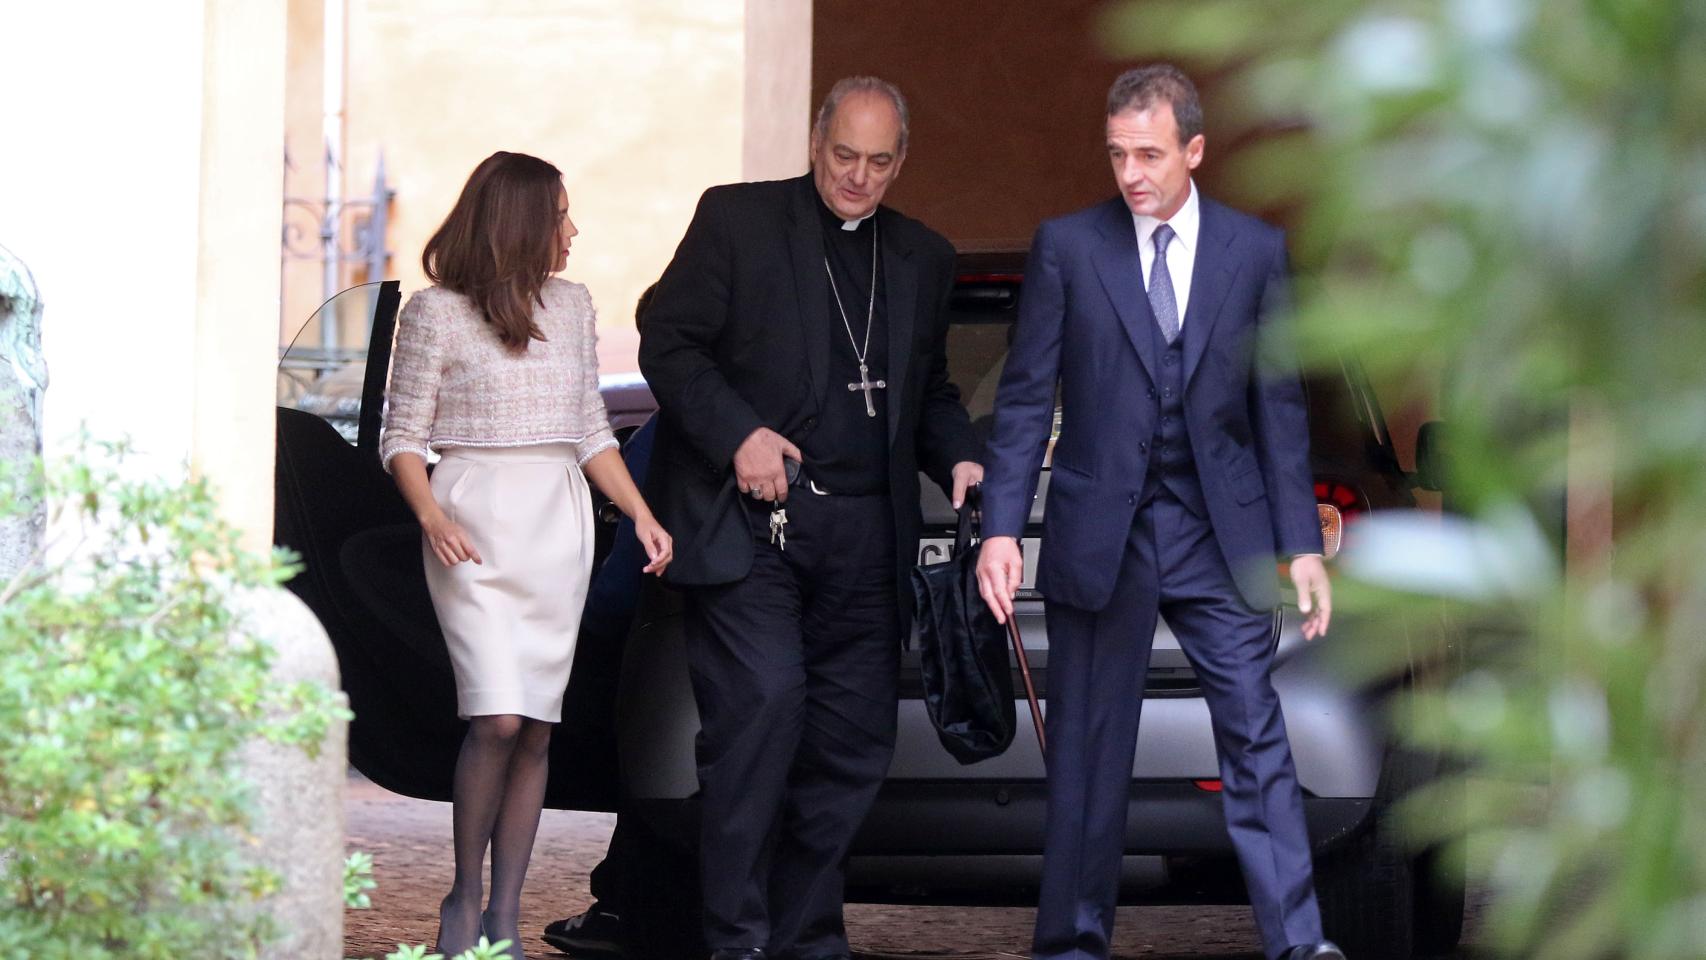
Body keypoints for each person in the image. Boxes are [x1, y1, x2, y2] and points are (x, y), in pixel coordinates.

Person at [974, 66, 1342, 960]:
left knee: (1257, 737)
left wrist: (1301, 547)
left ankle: (1300, 943)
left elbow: (1278, 410)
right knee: (1089, 755)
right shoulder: (1068, 246)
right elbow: (1026, 401)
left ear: (1194, 150)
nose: (1131, 172)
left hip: (1223, 535)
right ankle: (1070, 944)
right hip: (1104, 531)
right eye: (1117, 153)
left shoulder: (1254, 252)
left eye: (1149, 153)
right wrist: (999, 529)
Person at [638, 76, 982, 960]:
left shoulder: (923, 256)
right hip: (757, 529)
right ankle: (738, 941)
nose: (857, 178)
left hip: (869, 539)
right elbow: (666, 339)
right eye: (843, 157)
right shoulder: (738, 222)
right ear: (815, 142)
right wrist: (737, 434)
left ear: (900, 162)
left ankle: (806, 941)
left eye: (877, 162)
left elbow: (930, 391)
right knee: (761, 715)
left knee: (849, 750)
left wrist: (960, 456)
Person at [380, 151, 673, 957]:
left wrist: (641, 513)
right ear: (520, 223)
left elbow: (588, 431)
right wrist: (431, 512)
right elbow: (401, 437)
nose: (573, 231)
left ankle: (504, 914)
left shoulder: (573, 306)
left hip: (558, 521)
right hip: (471, 520)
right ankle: (462, 892)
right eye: (560, 215)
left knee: (538, 727)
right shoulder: (434, 314)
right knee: (498, 716)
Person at [541, 286, 671, 960]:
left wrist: (586, 628)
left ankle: (622, 906)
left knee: (648, 770)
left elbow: (620, 586)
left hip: (658, 643)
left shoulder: (659, 438)